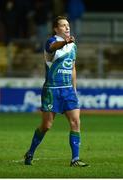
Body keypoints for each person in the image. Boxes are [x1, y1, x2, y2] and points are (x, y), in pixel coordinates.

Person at [24, 16, 88, 167]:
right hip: (52, 90)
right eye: (63, 25)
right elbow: (53, 48)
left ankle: (75, 159)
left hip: (68, 91)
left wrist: (74, 88)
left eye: (68, 25)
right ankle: (30, 152)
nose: (67, 28)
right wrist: (65, 41)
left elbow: (72, 67)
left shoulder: (73, 46)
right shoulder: (51, 42)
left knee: (75, 121)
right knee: (46, 126)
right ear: (55, 29)